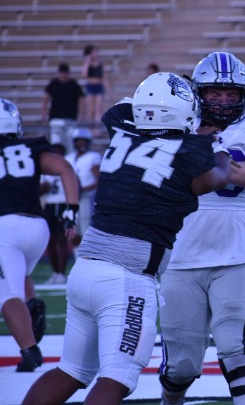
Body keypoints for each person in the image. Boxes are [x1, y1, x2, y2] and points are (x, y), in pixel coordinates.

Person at [22, 73, 232, 405]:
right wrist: (220, 147)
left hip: (86, 268)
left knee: (71, 370)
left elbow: (125, 107)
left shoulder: (121, 124)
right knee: (118, 376)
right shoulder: (192, 151)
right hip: (127, 278)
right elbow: (217, 178)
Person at [158, 52, 245, 405]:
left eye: (231, 94)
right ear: (199, 93)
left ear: (244, 95)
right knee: (181, 366)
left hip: (237, 250)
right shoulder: (176, 123)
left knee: (235, 349)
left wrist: (211, 153)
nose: (223, 101)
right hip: (180, 251)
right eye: (215, 93)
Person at [0, 98, 79, 372]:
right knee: (19, 275)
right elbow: (65, 168)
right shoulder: (30, 147)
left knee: (6, 293)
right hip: (38, 227)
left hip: (5, 228)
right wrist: (71, 210)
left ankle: (29, 350)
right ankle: (32, 305)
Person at [65, 127, 101, 254]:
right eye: (79, 141)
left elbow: (99, 181)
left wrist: (81, 189)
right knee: (73, 230)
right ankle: (77, 259)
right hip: (71, 198)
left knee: (86, 229)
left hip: (87, 197)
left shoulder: (93, 157)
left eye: (84, 141)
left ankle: (88, 258)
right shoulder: (69, 158)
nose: (81, 144)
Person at [40, 143, 71, 284]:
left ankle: (61, 273)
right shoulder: (45, 169)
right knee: (50, 239)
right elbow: (40, 189)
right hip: (50, 204)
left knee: (62, 239)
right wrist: (43, 188)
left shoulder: (68, 166)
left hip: (64, 204)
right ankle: (55, 272)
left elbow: (77, 185)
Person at [41, 62, 85, 152]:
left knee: (71, 144)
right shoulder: (54, 83)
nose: (64, 75)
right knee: (56, 143)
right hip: (56, 119)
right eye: (62, 73)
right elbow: (46, 99)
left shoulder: (73, 84)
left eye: (65, 73)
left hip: (70, 119)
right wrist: (44, 114)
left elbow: (81, 100)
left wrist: (81, 115)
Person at [81, 44, 111, 124]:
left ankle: (97, 126)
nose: (96, 53)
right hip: (91, 86)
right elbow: (84, 74)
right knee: (91, 109)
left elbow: (104, 77)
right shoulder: (88, 63)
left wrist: (108, 90)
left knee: (99, 108)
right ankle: (91, 126)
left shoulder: (100, 63)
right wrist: (88, 61)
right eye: (94, 52)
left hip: (99, 86)